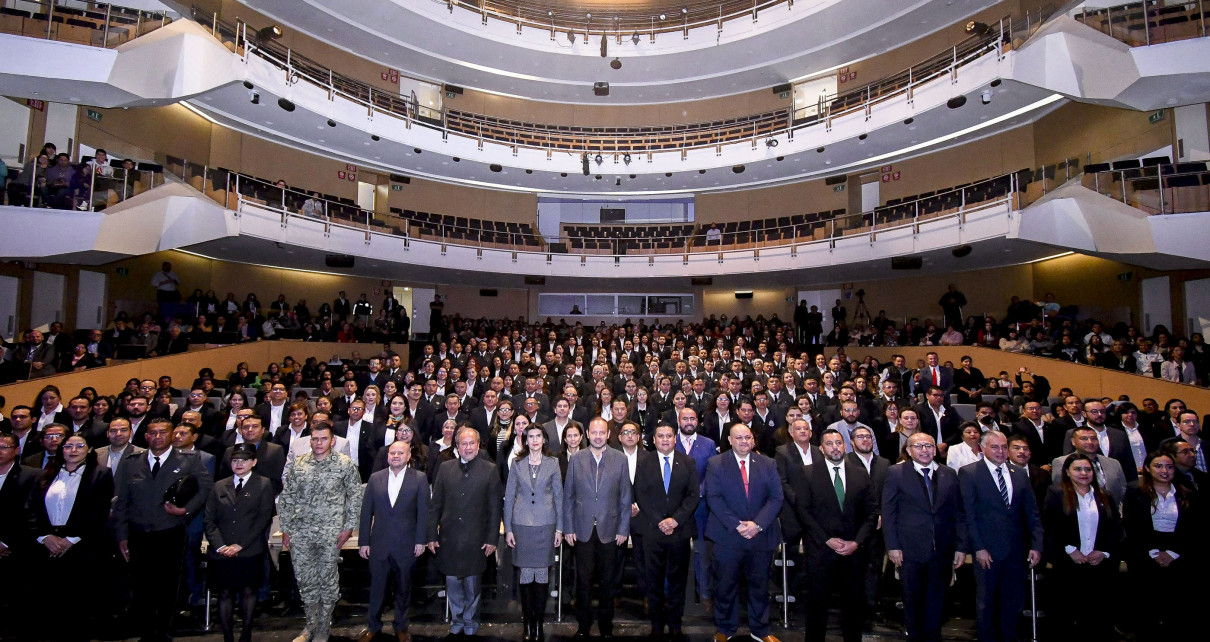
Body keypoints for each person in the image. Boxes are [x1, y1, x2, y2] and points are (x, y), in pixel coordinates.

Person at [111, 418, 214, 642]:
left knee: (168, 587)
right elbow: (120, 502)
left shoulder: (189, 458)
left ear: (171, 435)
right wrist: (121, 535)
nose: (157, 437)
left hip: (171, 531)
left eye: (163, 433)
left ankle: (164, 634)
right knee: (141, 587)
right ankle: (146, 634)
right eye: (153, 433)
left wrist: (185, 510)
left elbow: (205, 488)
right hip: (138, 533)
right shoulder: (131, 462)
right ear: (146, 436)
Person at [792, 428, 878, 642]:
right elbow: (803, 510)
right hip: (821, 550)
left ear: (845, 446)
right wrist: (826, 539)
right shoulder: (807, 472)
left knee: (853, 604)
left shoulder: (860, 473)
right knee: (817, 604)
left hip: (853, 552)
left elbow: (871, 513)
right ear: (821, 448)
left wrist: (857, 542)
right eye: (829, 444)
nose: (835, 447)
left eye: (838, 443)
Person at [278, 423, 363, 642]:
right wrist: (285, 529)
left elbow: (354, 497)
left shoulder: (344, 465)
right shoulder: (299, 464)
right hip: (301, 532)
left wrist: (348, 527)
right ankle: (309, 626)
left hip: (331, 533)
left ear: (332, 440)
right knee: (306, 581)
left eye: (323, 439)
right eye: (315, 439)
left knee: (327, 582)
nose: (318, 443)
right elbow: (287, 497)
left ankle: (324, 627)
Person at [958, 430, 1042, 642]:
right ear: (982, 448)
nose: (1001, 451)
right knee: (986, 602)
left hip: (1017, 550)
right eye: (995, 447)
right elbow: (968, 514)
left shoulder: (1020, 473)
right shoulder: (969, 472)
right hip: (987, 550)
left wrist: (1036, 544)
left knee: (1013, 601)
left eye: (1004, 447)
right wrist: (978, 547)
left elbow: (1031, 512)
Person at [28, 433, 114, 640]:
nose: (73, 450)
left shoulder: (101, 474)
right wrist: (45, 537)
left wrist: (70, 539)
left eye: (79, 446)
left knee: (76, 605)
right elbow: (32, 509)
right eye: (68, 446)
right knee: (47, 605)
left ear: (89, 449)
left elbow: (98, 512)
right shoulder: (45, 474)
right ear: (61, 450)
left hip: (80, 546)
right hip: (46, 545)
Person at [882, 432, 965, 642]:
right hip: (909, 550)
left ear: (935, 449)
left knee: (938, 602)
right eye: (918, 446)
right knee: (913, 602)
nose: (925, 450)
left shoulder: (949, 473)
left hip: (943, 551)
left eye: (928, 446)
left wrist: (961, 547)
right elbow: (889, 511)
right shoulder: (896, 473)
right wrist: (892, 546)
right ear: (909, 451)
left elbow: (959, 513)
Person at [704, 423, 783, 642]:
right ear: (730, 440)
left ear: (753, 440)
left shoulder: (768, 463)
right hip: (727, 535)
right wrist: (738, 525)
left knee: (759, 586)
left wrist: (757, 525)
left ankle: (761, 630)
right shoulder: (716, 463)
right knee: (725, 585)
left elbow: (776, 497)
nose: (744, 441)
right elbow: (714, 498)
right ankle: (725, 629)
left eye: (747, 437)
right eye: (738, 438)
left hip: (761, 536)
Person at [427, 427, 503, 637]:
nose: (468, 447)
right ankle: (457, 618)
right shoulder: (444, 468)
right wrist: (431, 535)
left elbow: (495, 509)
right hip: (449, 538)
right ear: (457, 446)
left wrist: (492, 539)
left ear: (478, 446)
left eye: (472, 443)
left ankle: (471, 619)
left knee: (472, 585)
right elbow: (435, 505)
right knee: (452, 582)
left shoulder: (489, 469)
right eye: (464, 444)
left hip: (476, 538)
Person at [563, 417, 631, 638]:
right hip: (582, 530)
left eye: (602, 432)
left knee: (607, 583)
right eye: (594, 432)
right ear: (588, 434)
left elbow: (624, 497)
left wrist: (623, 529)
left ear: (608, 435)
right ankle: (583, 626)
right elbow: (569, 497)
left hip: (610, 531)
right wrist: (568, 527)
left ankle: (605, 627)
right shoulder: (576, 459)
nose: (598, 436)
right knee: (582, 582)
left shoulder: (620, 459)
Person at [1041, 453, 1122, 638]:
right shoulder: (1056, 492)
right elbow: (1051, 525)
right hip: (1068, 564)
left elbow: (1115, 528)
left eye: (1087, 469)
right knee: (1066, 618)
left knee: (1096, 619)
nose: (1083, 473)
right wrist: (1070, 549)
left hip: (1098, 565)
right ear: (1067, 472)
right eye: (1077, 469)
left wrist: (1104, 551)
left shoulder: (1105, 495)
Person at [633, 423, 700, 640]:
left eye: (668, 436)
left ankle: (675, 623)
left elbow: (693, 495)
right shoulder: (644, 462)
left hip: (679, 530)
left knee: (678, 580)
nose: (664, 439)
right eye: (660, 436)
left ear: (675, 439)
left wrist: (675, 520)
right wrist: (659, 520)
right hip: (653, 530)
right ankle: (656, 624)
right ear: (653, 440)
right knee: (654, 580)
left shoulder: (688, 462)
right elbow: (640, 493)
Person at [358, 440, 429, 642]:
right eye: (392, 453)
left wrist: (420, 540)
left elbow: (424, 512)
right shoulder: (375, 478)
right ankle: (373, 627)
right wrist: (364, 541)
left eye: (400, 453)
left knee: (404, 589)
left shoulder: (420, 479)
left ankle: (401, 627)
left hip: (407, 545)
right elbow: (366, 513)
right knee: (377, 589)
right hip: (379, 544)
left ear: (409, 457)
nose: (395, 456)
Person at [204, 443, 275, 642]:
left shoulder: (263, 484)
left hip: (249, 549)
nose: (239, 464)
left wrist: (240, 545)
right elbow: (209, 520)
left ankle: (246, 633)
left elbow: (263, 518)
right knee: (225, 592)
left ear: (254, 462)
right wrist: (220, 546)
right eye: (235, 460)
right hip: (222, 550)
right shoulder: (219, 485)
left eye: (244, 460)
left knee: (248, 591)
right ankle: (227, 636)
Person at [1122, 452, 1196, 640]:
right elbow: (1132, 527)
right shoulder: (1135, 491)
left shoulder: (1187, 491)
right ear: (1147, 468)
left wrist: (1172, 553)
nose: (1165, 471)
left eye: (1169, 467)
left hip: (1178, 552)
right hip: (1144, 552)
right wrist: (1153, 553)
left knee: (1176, 608)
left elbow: (1194, 528)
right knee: (1147, 608)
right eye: (1158, 466)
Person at [503, 422, 563, 642]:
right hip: (521, 526)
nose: (535, 440)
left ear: (544, 439)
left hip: (546, 525)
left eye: (538, 436)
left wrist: (560, 528)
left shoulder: (553, 463)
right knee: (526, 577)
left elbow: (559, 497)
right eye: (531, 436)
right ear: (525, 440)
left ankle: (538, 624)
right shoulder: (517, 464)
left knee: (542, 577)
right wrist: (508, 528)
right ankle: (527, 624)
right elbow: (509, 498)